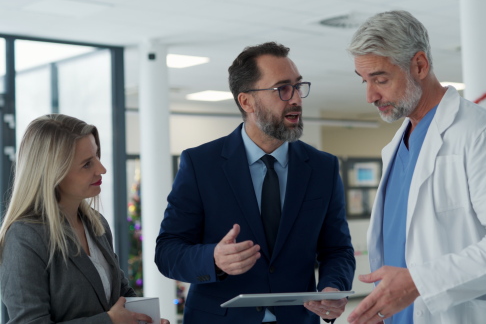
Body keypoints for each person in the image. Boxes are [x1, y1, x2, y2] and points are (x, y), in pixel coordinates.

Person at [345, 10, 486, 324]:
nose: (370, 95)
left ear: (420, 65)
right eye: (365, 81)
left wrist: (421, 282)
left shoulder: (480, 132)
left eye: (380, 79)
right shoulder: (395, 148)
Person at [155, 41, 356, 323]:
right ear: (246, 101)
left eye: (298, 86)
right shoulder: (201, 164)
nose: (296, 98)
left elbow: (337, 249)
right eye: (282, 89)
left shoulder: (322, 167)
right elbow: (168, 251)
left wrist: (333, 288)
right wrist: (213, 257)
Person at [0, 114, 169, 324]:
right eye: (87, 164)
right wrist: (109, 321)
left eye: (97, 156)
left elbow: (120, 293)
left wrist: (145, 319)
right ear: (54, 173)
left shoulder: (97, 225)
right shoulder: (24, 237)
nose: (102, 169)